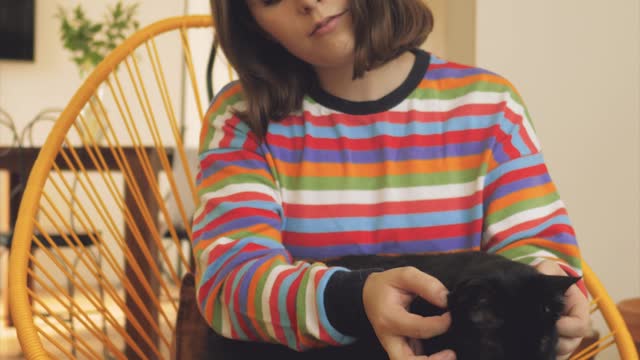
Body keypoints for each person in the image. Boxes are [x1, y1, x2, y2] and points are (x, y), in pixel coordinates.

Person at [192, 0, 590, 359]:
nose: (308, 2)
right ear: (255, 24)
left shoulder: (490, 108)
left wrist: (552, 295)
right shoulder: (241, 119)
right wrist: (353, 301)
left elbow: (537, 253)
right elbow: (230, 284)